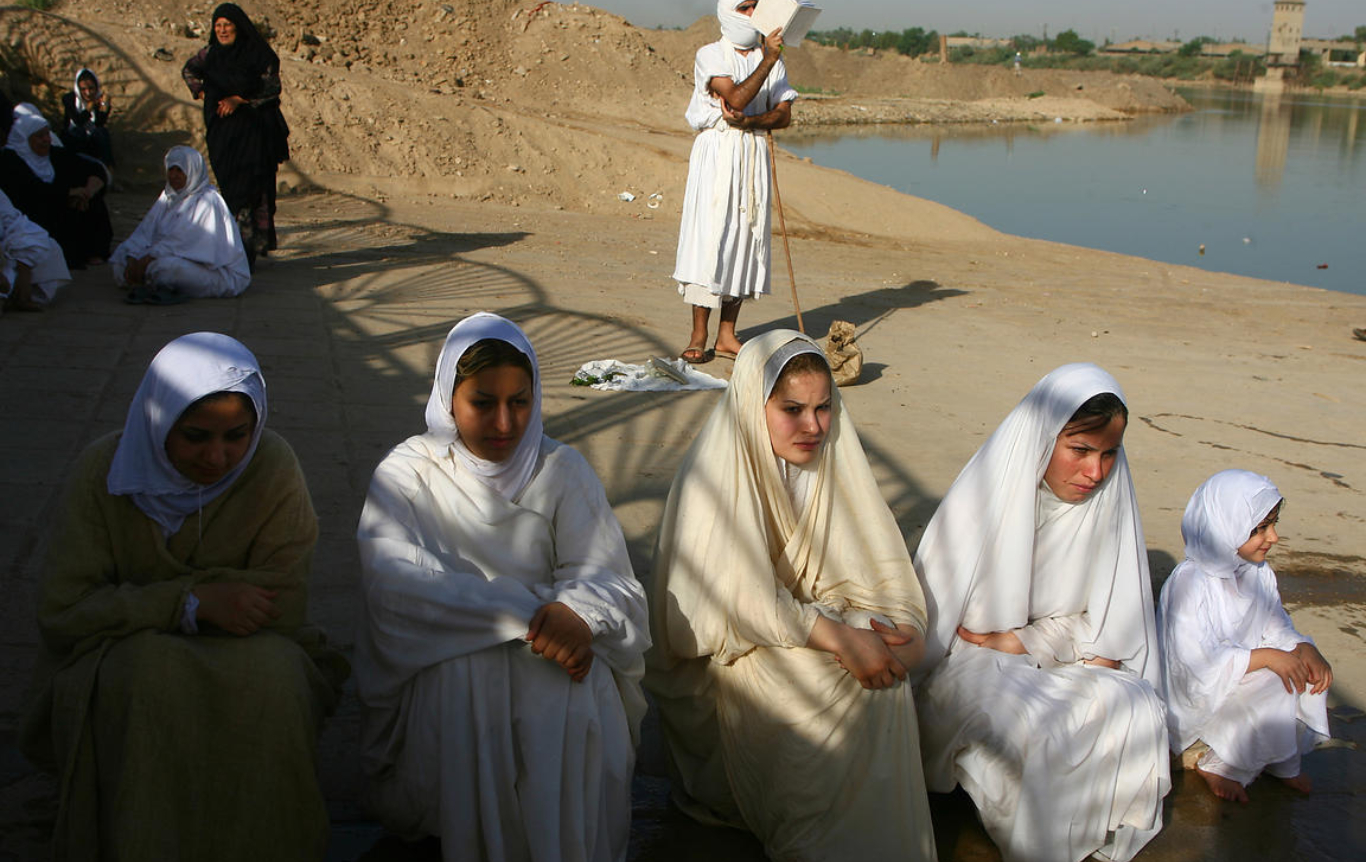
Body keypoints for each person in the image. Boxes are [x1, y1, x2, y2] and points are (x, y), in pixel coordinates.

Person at [21, 332, 348, 861]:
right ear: (157, 420)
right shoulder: (101, 471)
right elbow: (65, 611)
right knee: (149, 676)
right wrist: (192, 602)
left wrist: (173, 600)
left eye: (236, 436)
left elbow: (283, 601)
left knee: (273, 678)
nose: (216, 457)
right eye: (195, 436)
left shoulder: (272, 466)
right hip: (122, 647)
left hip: (249, 642)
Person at [355, 313, 649, 862]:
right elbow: (398, 586)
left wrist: (579, 615)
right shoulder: (408, 474)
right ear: (448, 399)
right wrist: (532, 616)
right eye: (483, 403)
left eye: (520, 402)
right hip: (456, 658)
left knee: (573, 681)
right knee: (469, 672)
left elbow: (609, 576)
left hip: (555, 641)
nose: (505, 423)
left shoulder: (562, 469)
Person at [647, 331, 937, 861]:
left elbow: (882, 572)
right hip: (724, 660)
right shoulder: (714, 477)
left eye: (824, 408)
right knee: (827, 680)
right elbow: (733, 605)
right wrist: (839, 638)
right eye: (792, 410)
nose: (814, 427)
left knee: (879, 667)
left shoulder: (832, 465)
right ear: (752, 405)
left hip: (805, 628)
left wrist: (906, 637)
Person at [913, 363, 1170, 862]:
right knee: (1036, 726)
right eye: (1080, 450)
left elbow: (1113, 634)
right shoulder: (985, 498)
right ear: (1043, 438)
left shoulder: (1108, 501)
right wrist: (1010, 645)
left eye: (1110, 454)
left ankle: (1078, 830)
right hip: (971, 663)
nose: (1096, 473)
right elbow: (951, 630)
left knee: (1136, 705)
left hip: (1061, 659)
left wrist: (1027, 641)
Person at [1159, 470, 1332, 804]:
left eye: (1273, 525)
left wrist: (1302, 646)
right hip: (1203, 688)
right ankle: (1221, 764)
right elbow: (1193, 663)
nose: (1273, 537)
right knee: (1277, 681)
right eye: (1260, 529)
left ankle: (1282, 760)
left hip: (1242, 672)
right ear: (1225, 526)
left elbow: (1275, 624)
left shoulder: (1258, 573)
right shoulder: (1191, 582)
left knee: (1307, 673)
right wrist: (1267, 658)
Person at [671, 1, 797, 364]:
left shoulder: (770, 58)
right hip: (718, 151)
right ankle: (699, 334)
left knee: (746, 236)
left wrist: (752, 122)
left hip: (752, 152)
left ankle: (727, 334)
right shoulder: (711, 54)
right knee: (709, 236)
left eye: (755, 7)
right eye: (744, 7)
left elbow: (784, 114)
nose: (751, 14)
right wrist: (768, 61)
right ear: (727, 10)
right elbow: (737, 97)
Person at [182, 3, 289, 262]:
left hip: (254, 131)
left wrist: (239, 99)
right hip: (222, 133)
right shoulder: (210, 54)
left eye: (227, 25)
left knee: (251, 189)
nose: (222, 30)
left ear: (238, 27)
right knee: (230, 187)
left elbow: (272, 87)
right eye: (218, 26)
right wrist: (205, 94)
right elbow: (189, 71)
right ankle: (236, 245)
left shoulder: (257, 53)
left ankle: (244, 250)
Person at [111, 145, 250, 303]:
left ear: (192, 172)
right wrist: (133, 257)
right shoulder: (168, 197)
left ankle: (152, 281)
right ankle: (150, 281)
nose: (174, 176)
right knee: (120, 259)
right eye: (171, 170)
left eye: (179, 171)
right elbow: (145, 232)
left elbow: (184, 243)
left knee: (166, 269)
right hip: (162, 256)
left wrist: (148, 258)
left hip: (218, 273)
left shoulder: (208, 200)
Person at [0, 103, 111, 267]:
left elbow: (93, 168)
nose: (46, 140)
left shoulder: (54, 153)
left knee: (92, 202)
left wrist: (88, 191)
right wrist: (68, 193)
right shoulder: (10, 160)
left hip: (58, 206)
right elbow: (30, 191)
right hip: (31, 214)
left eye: (47, 134)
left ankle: (94, 252)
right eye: (39, 136)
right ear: (25, 139)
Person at [1, 188, 70, 313]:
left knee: (44, 245)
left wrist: (23, 266)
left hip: (7, 238)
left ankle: (20, 295)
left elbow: (12, 221)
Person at [60, 68, 114, 166]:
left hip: (91, 140)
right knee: (78, 131)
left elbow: (99, 123)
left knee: (102, 132)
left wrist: (105, 106)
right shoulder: (69, 99)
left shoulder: (99, 99)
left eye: (91, 88)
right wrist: (89, 108)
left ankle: (107, 165)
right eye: (83, 89)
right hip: (74, 139)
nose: (88, 93)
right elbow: (78, 121)